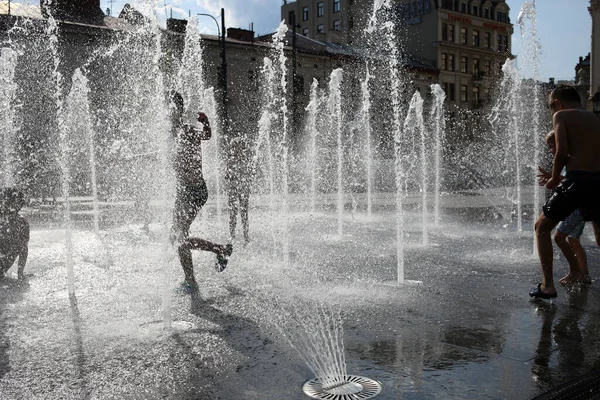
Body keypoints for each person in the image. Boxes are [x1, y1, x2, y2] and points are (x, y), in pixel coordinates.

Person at [531, 85, 600, 299]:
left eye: (551, 107)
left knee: (541, 227)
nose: (553, 111)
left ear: (558, 103)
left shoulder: (561, 115)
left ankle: (547, 286)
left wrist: (553, 178)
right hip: (598, 181)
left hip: (577, 181)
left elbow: (561, 151)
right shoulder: (594, 118)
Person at [169, 91, 232, 292]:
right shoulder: (174, 133)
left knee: (180, 237)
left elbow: (206, 135)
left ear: (176, 110)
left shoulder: (185, 130)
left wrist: (206, 122)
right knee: (176, 236)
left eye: (171, 109)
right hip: (185, 192)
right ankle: (193, 276)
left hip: (193, 191)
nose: (167, 114)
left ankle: (216, 253)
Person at [537, 130, 590, 286]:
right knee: (573, 240)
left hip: (576, 207)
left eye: (552, 145)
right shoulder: (572, 159)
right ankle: (583, 274)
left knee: (558, 237)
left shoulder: (573, 160)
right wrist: (553, 177)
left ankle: (576, 272)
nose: (551, 150)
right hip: (578, 206)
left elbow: (572, 181)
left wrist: (554, 177)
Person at [226, 136, 252, 244]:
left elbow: (227, 176)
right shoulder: (241, 161)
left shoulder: (233, 161)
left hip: (238, 188)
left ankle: (238, 235)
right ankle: (240, 235)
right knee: (239, 212)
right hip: (238, 188)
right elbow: (227, 176)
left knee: (238, 212)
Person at [0, 188, 30, 281]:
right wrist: (20, 273)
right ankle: (20, 274)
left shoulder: (8, 220)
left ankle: (20, 273)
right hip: (2, 266)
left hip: (2, 266)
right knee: (23, 246)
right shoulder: (21, 221)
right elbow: (24, 248)